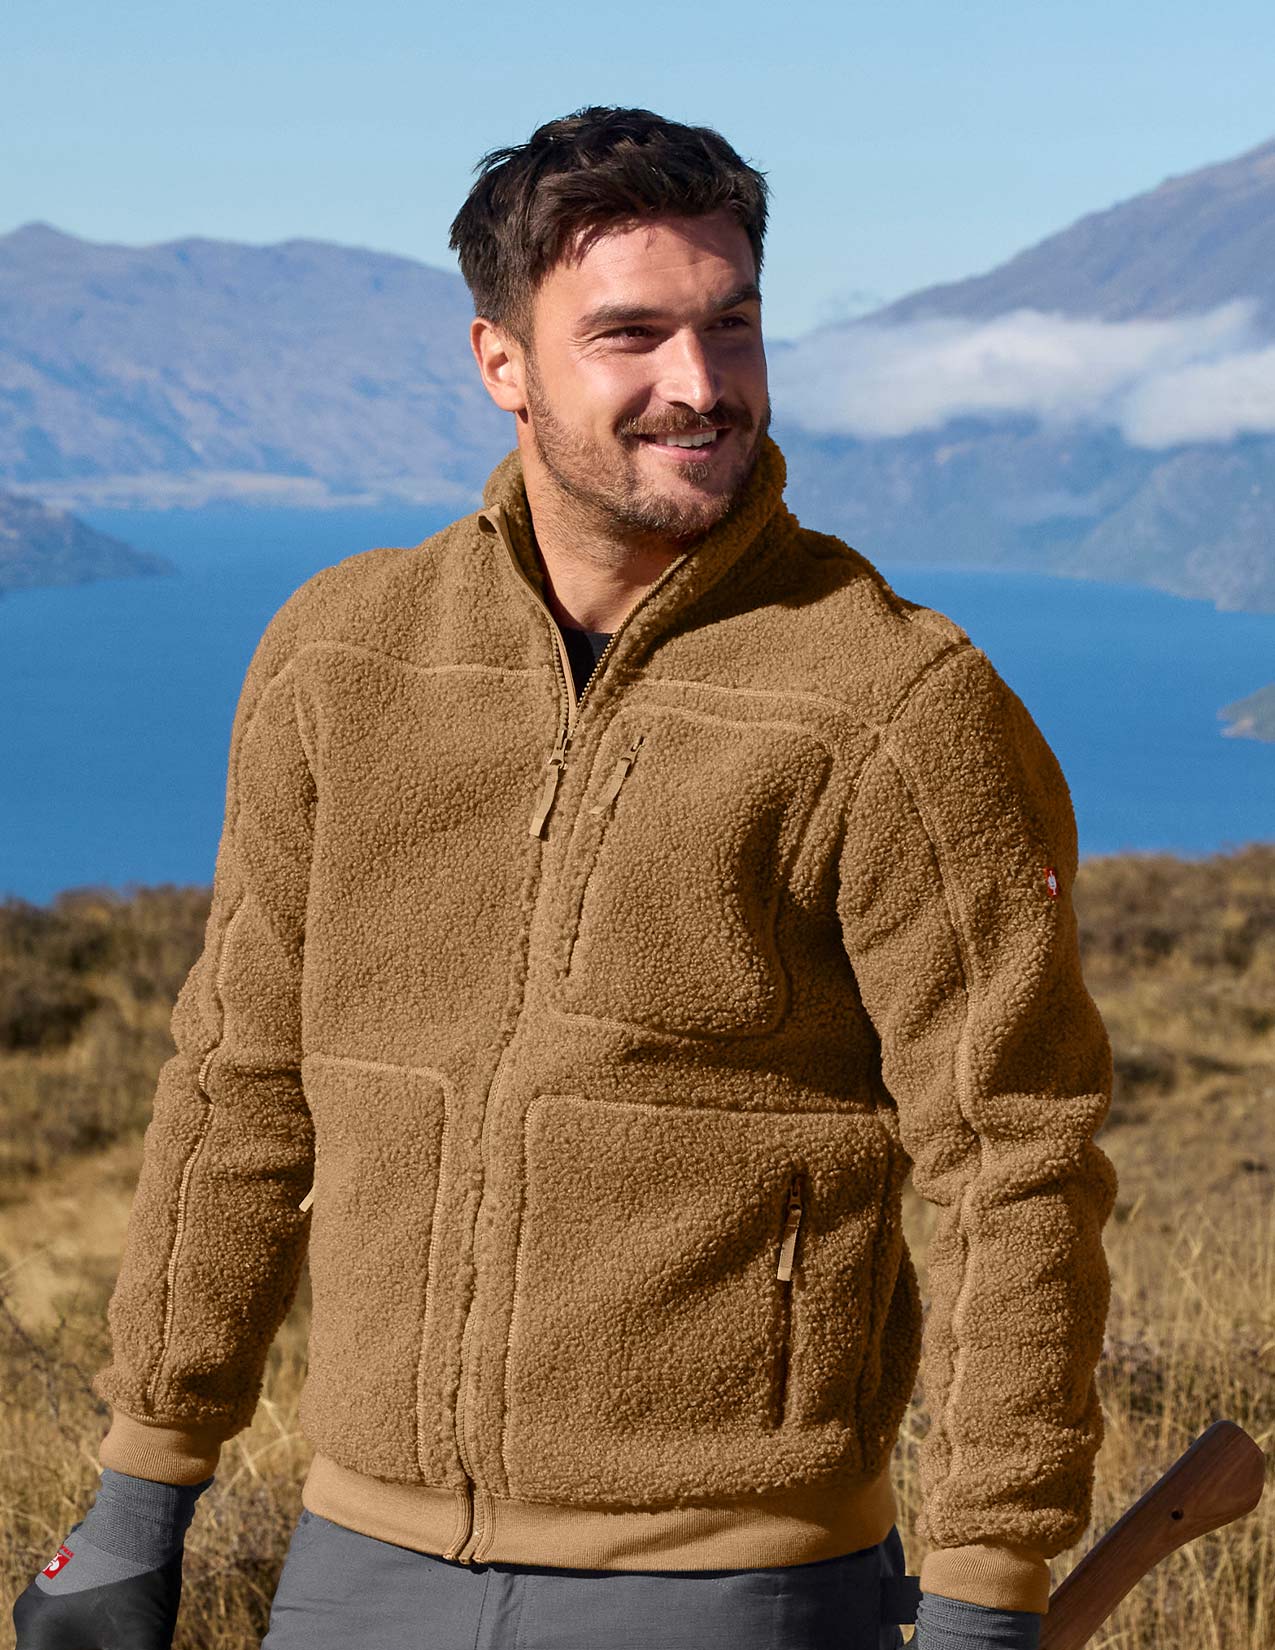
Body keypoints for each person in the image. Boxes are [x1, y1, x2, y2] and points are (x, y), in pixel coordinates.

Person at [12, 106, 1118, 1650]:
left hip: (734, 1580)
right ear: (502, 363)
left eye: (731, 324)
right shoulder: (342, 656)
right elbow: (237, 1091)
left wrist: (992, 1585)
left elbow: (1021, 1162)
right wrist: (140, 1502)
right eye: (632, 334)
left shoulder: (897, 704)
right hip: (357, 1566)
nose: (701, 383)